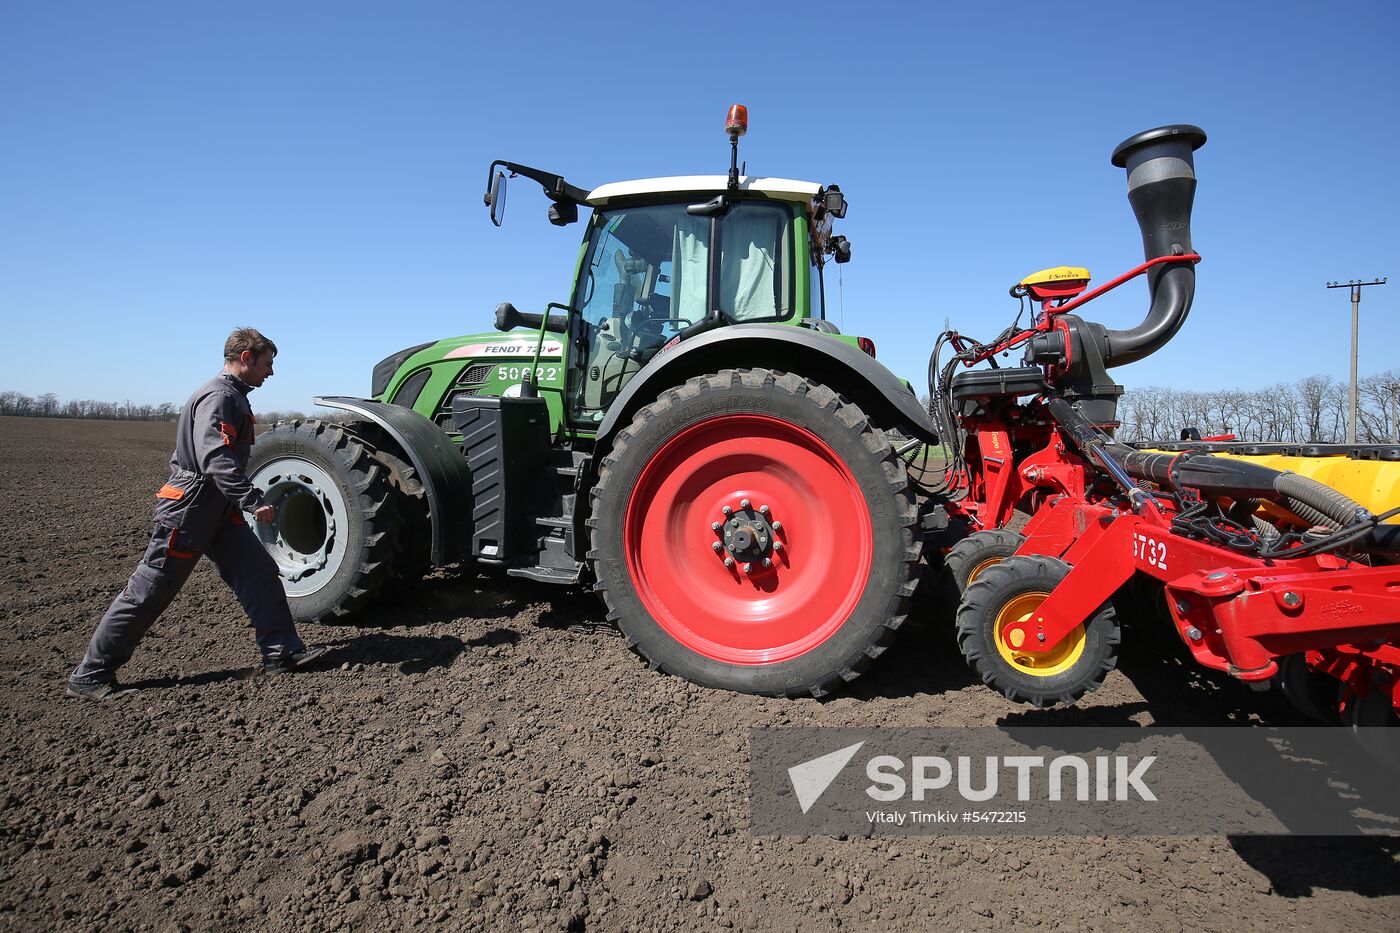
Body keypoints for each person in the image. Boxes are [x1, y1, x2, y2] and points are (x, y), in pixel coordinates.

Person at [67, 328, 327, 699]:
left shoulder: (234, 396)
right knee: (151, 588)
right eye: (268, 364)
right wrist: (253, 500)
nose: (271, 373)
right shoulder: (219, 397)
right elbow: (214, 458)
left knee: (259, 572)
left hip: (218, 508)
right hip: (191, 508)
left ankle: (281, 652)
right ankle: (91, 675)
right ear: (246, 357)